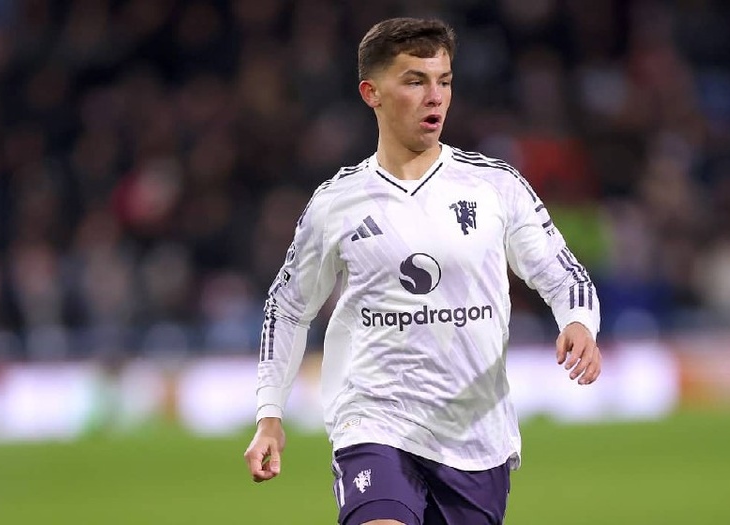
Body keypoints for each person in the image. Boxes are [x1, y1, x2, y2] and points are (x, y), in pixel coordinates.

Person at [243, 17, 601, 525]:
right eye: (415, 81)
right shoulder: (336, 203)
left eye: (444, 81)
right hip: (373, 423)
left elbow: (565, 276)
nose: (435, 96)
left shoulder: (495, 187)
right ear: (372, 93)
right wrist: (270, 414)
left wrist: (579, 322)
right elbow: (287, 307)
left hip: (474, 438)